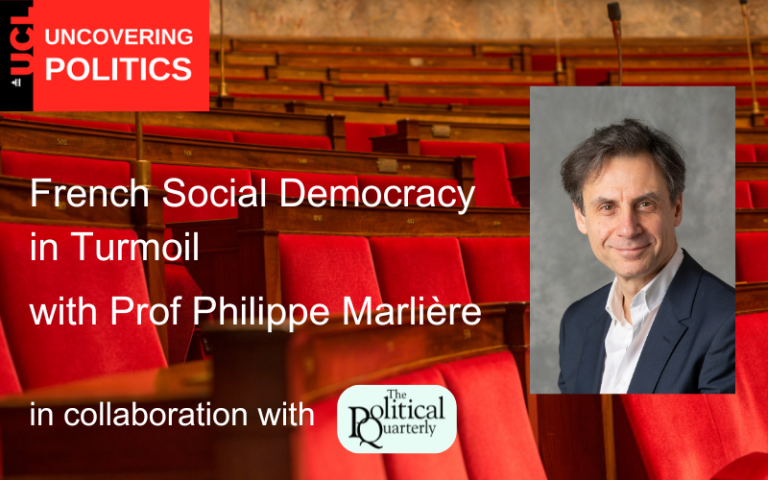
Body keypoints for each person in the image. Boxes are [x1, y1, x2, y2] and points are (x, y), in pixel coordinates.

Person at [557, 119, 734, 394]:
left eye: (645, 204)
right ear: (581, 217)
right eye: (607, 207)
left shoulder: (728, 321)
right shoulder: (576, 322)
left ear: (676, 208)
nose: (628, 228)